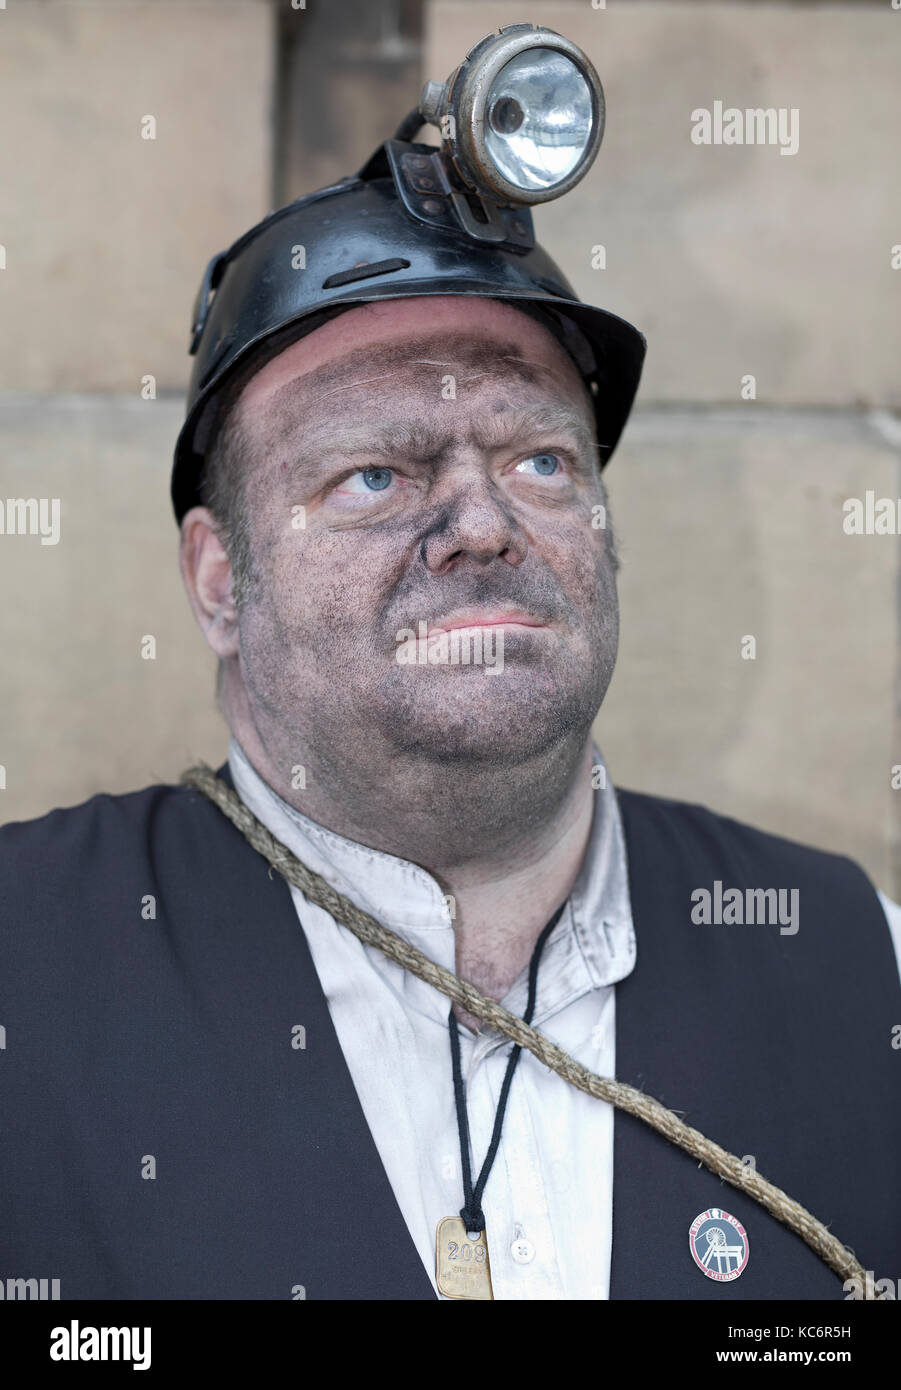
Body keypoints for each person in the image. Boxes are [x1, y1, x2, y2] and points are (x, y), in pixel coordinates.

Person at [2, 25, 899, 1302]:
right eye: (375, 473)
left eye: (540, 460)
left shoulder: (854, 961)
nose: (483, 523)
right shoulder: (25, 967)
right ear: (218, 582)